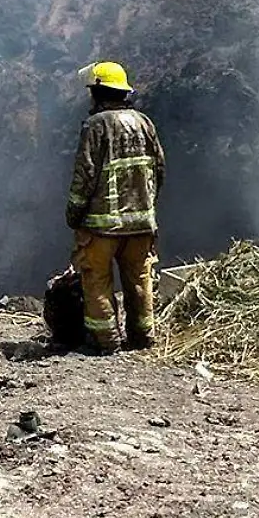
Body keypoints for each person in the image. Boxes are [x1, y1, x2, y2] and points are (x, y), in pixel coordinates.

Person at [65, 61, 165, 354]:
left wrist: (74, 214)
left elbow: (85, 175)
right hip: (141, 225)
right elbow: (159, 169)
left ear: (98, 92)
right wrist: (147, 208)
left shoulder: (96, 126)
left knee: (97, 279)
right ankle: (143, 337)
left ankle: (106, 341)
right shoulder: (144, 123)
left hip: (102, 227)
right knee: (139, 280)